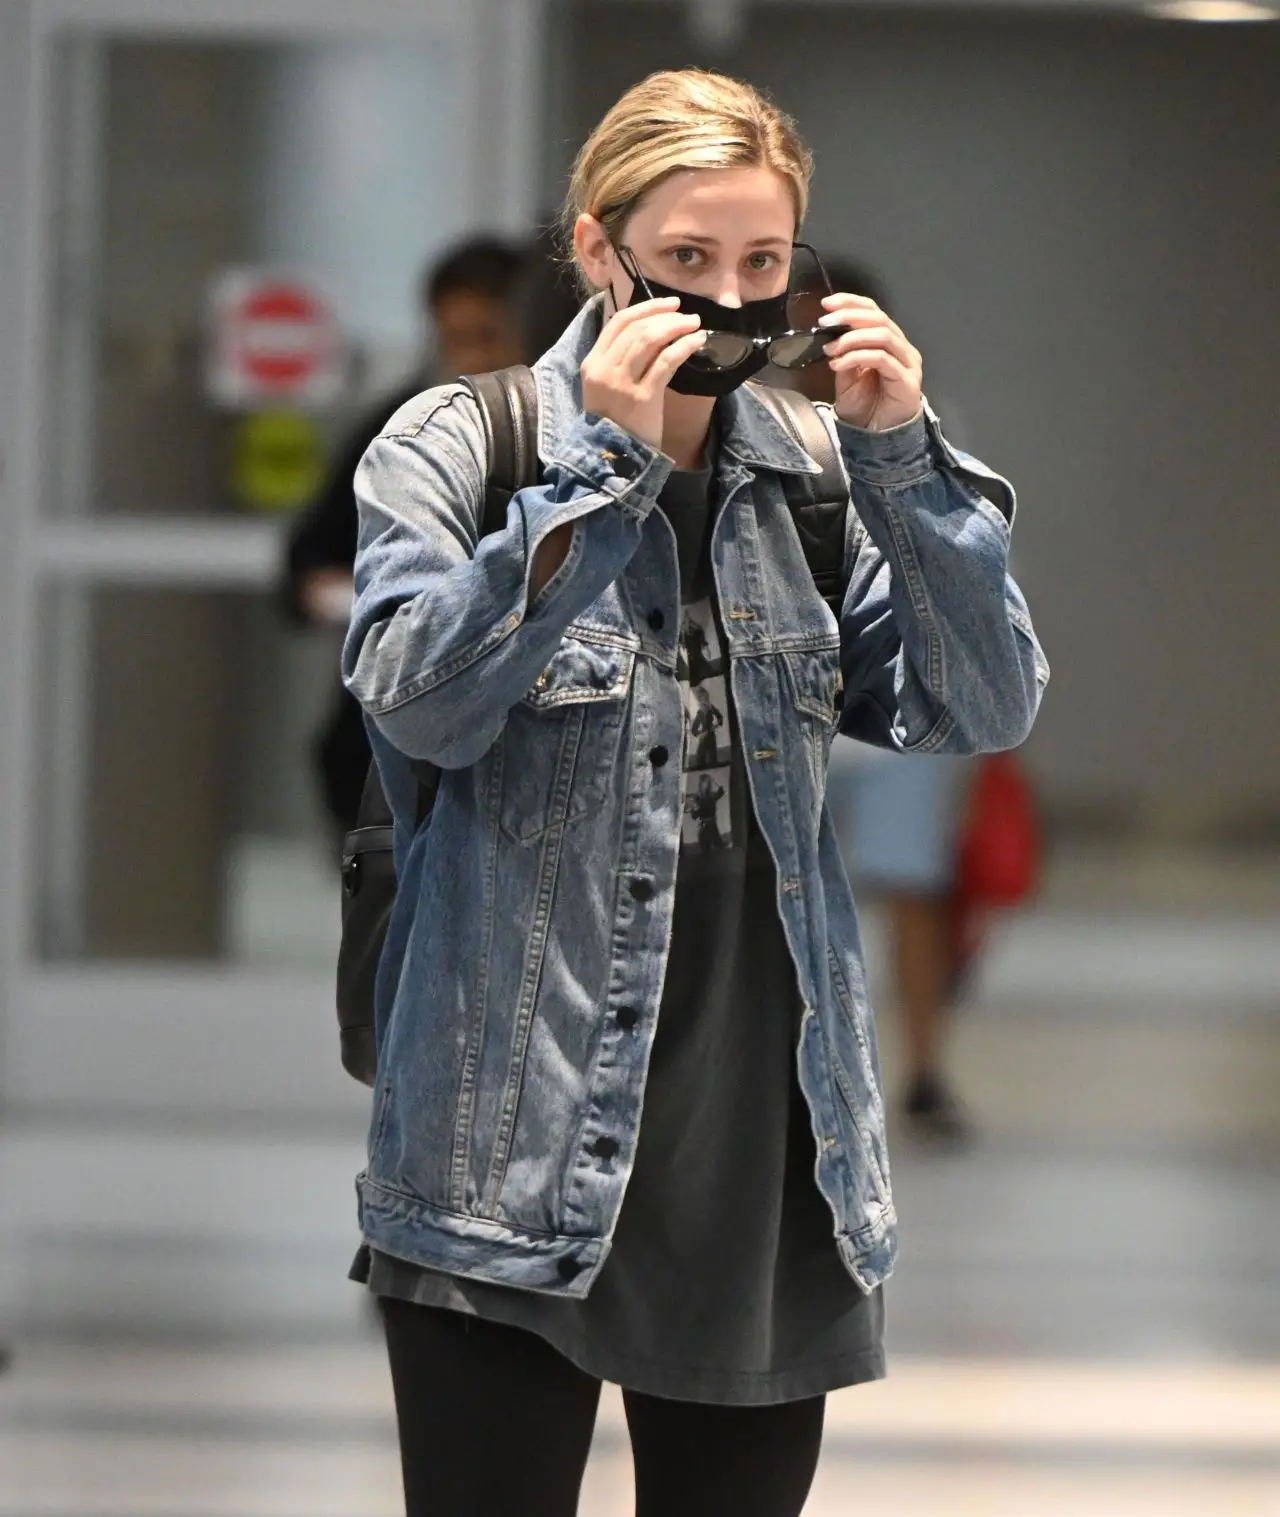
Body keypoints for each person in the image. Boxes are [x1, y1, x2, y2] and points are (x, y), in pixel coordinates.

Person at [341, 68, 1048, 1517]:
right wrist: (606, 468)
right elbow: (419, 695)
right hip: (505, 1149)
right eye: (686, 263)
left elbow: (981, 703)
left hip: (766, 1162)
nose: (731, 298)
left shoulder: (806, 472)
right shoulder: (460, 448)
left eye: (764, 265)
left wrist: (903, 458)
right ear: (598, 252)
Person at [768, 255, 980, 1147]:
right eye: (802, 334)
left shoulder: (914, 428)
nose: (818, 352)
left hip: (895, 717)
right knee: (776, 891)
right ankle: (781, 1069)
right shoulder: (748, 430)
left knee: (912, 893)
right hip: (781, 705)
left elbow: (969, 579)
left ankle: (925, 1066)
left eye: (833, 331)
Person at [283, 235, 527, 837]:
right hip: (389, 756)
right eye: (455, 340)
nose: (472, 361)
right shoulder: (407, 430)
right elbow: (304, 564)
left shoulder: (569, 437)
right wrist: (352, 596)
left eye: (488, 336)